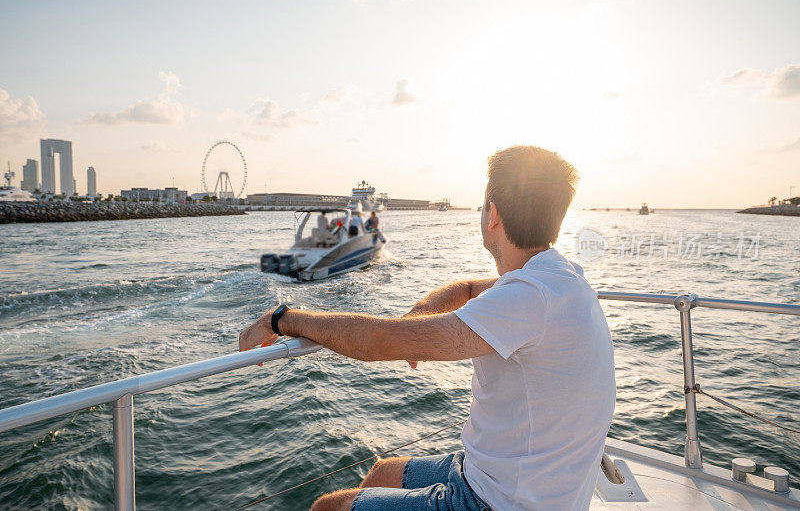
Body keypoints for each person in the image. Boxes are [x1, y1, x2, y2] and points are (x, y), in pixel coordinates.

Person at [239, 146, 616, 511]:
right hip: (494, 474)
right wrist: (419, 313)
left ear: (493, 215)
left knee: (329, 507)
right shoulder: (556, 279)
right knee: (382, 472)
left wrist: (281, 318)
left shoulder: (529, 298)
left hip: (497, 502)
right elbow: (466, 288)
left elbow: (376, 343)